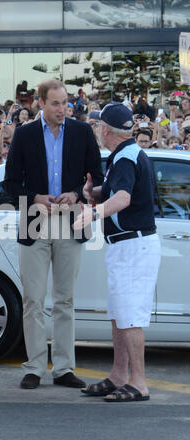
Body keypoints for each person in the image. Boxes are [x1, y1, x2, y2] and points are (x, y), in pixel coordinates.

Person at [4, 79, 103, 390]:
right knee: (33, 298)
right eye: (56, 104)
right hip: (35, 218)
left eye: (66, 103)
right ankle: (34, 366)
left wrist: (76, 194)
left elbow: (96, 178)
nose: (63, 109)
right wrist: (35, 197)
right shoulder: (24, 134)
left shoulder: (83, 132)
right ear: (41, 104)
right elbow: (10, 183)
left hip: (71, 219)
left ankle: (63, 368)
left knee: (65, 299)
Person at [74, 102, 161, 402]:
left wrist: (93, 212)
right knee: (120, 315)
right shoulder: (125, 155)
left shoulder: (125, 158)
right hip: (127, 245)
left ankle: (138, 383)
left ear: (107, 131)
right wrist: (94, 192)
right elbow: (122, 191)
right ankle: (119, 375)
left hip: (132, 246)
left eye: (99, 126)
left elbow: (123, 198)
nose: (97, 129)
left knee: (129, 317)